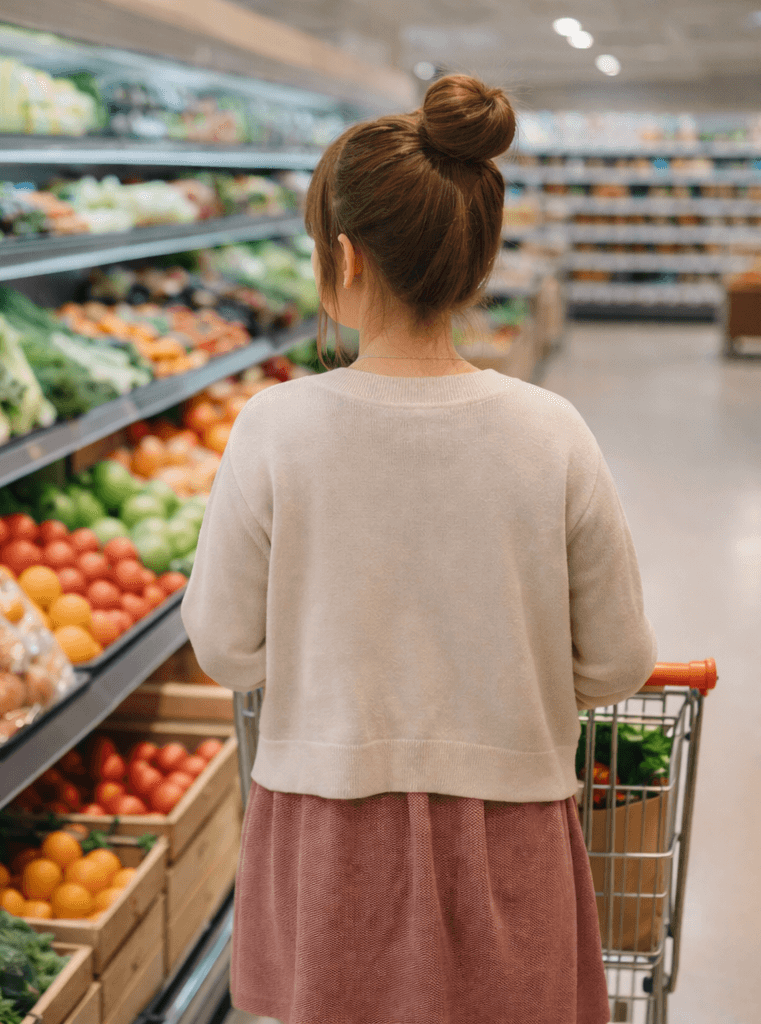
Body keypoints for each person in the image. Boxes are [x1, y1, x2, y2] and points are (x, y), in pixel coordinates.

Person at [181, 74, 656, 1024]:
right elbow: (616, 662)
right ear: (477, 265)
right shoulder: (549, 430)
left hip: (325, 839)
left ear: (344, 259)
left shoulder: (275, 427)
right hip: (509, 837)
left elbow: (226, 648)